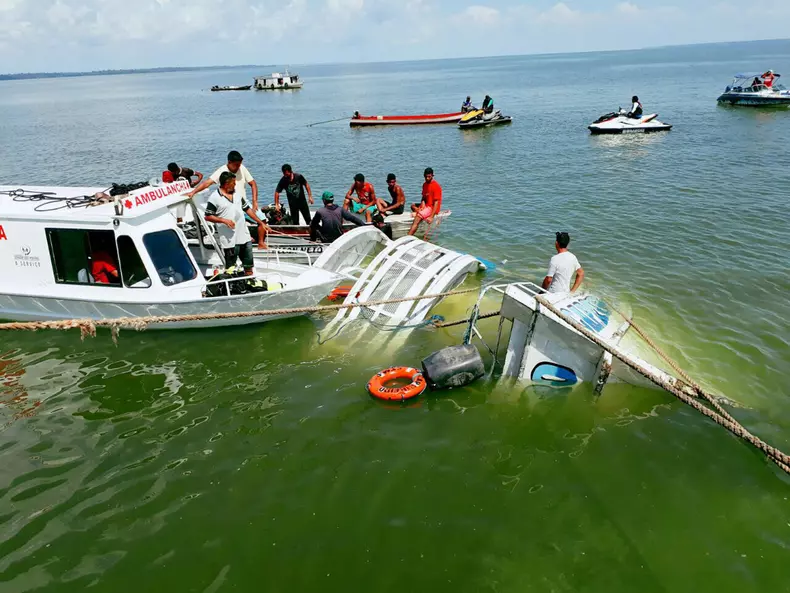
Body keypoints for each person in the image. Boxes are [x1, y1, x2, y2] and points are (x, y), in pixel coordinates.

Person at [204, 171, 268, 275]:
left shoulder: (237, 194)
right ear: (226, 184)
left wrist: (261, 223)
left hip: (244, 237)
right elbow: (208, 216)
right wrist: (223, 220)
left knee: (248, 267)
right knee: (230, 269)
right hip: (230, 240)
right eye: (233, 183)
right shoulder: (214, 197)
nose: (235, 185)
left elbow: (247, 209)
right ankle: (232, 286)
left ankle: (249, 281)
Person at [187, 150, 259, 211]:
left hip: (244, 203)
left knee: (262, 219)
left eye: (239, 164)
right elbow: (207, 183)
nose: (238, 167)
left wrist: (254, 201)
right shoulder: (222, 171)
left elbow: (253, 184)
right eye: (236, 165)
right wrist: (193, 192)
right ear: (229, 162)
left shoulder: (241, 168)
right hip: (230, 205)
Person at [408, 167, 442, 236]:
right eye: (425, 176)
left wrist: (431, 217)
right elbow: (424, 197)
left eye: (429, 177)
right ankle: (419, 212)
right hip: (427, 205)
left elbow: (436, 202)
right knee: (412, 206)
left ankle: (408, 237)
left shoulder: (436, 186)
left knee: (417, 219)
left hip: (432, 207)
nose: (427, 178)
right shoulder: (424, 185)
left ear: (432, 176)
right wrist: (422, 205)